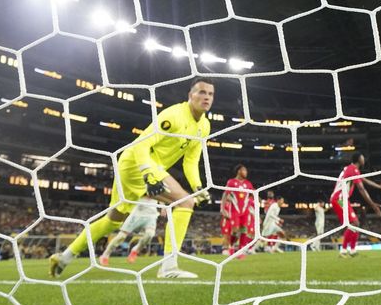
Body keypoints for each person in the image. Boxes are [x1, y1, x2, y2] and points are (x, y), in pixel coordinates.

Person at [49, 77, 214, 279]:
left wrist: (199, 187)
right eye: (201, 92)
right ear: (190, 96)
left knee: (113, 222)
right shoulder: (173, 115)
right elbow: (141, 145)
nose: (206, 97)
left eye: (210, 94)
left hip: (136, 167)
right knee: (185, 203)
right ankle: (168, 267)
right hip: (137, 163)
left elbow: (190, 160)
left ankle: (64, 257)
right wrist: (148, 174)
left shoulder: (204, 126)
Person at [331, 153, 381, 258]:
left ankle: (352, 250)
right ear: (358, 159)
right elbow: (362, 189)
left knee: (355, 224)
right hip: (339, 199)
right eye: (363, 157)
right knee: (354, 223)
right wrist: (374, 206)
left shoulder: (351, 169)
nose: (364, 159)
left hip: (341, 199)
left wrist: (380, 187)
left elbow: (365, 180)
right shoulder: (352, 169)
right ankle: (344, 250)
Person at [99, 198, 159, 266]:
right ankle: (105, 255)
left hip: (151, 215)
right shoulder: (140, 187)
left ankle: (135, 251)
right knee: (121, 236)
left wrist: (163, 206)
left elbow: (162, 193)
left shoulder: (160, 188)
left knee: (150, 234)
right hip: (137, 214)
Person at [220, 164, 255, 256]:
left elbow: (252, 195)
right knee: (235, 231)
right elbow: (225, 195)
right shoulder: (231, 182)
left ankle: (241, 249)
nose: (246, 172)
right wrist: (222, 208)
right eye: (244, 170)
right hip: (235, 211)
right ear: (239, 171)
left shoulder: (248, 183)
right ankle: (231, 245)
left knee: (244, 230)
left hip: (245, 211)